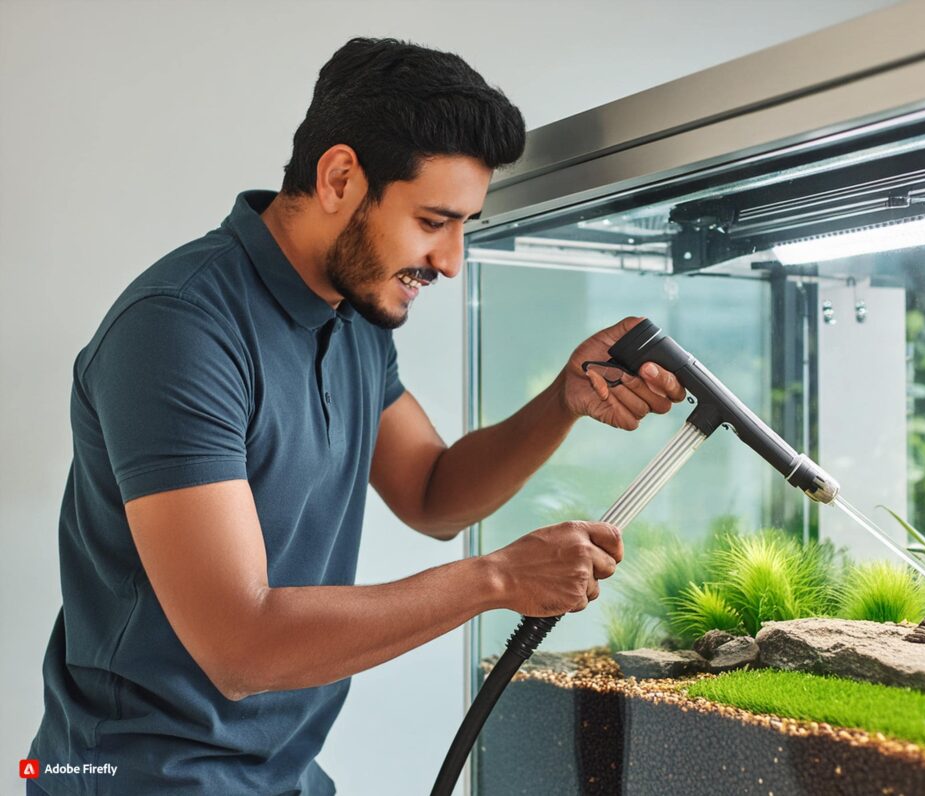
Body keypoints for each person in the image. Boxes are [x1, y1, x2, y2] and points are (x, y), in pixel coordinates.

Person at [27, 38, 686, 795]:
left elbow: (433, 495)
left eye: (464, 225)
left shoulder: (355, 317)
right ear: (340, 177)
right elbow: (241, 647)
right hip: (142, 779)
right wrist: (500, 578)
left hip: (286, 775)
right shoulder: (179, 329)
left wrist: (562, 400)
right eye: (434, 220)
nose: (450, 261)